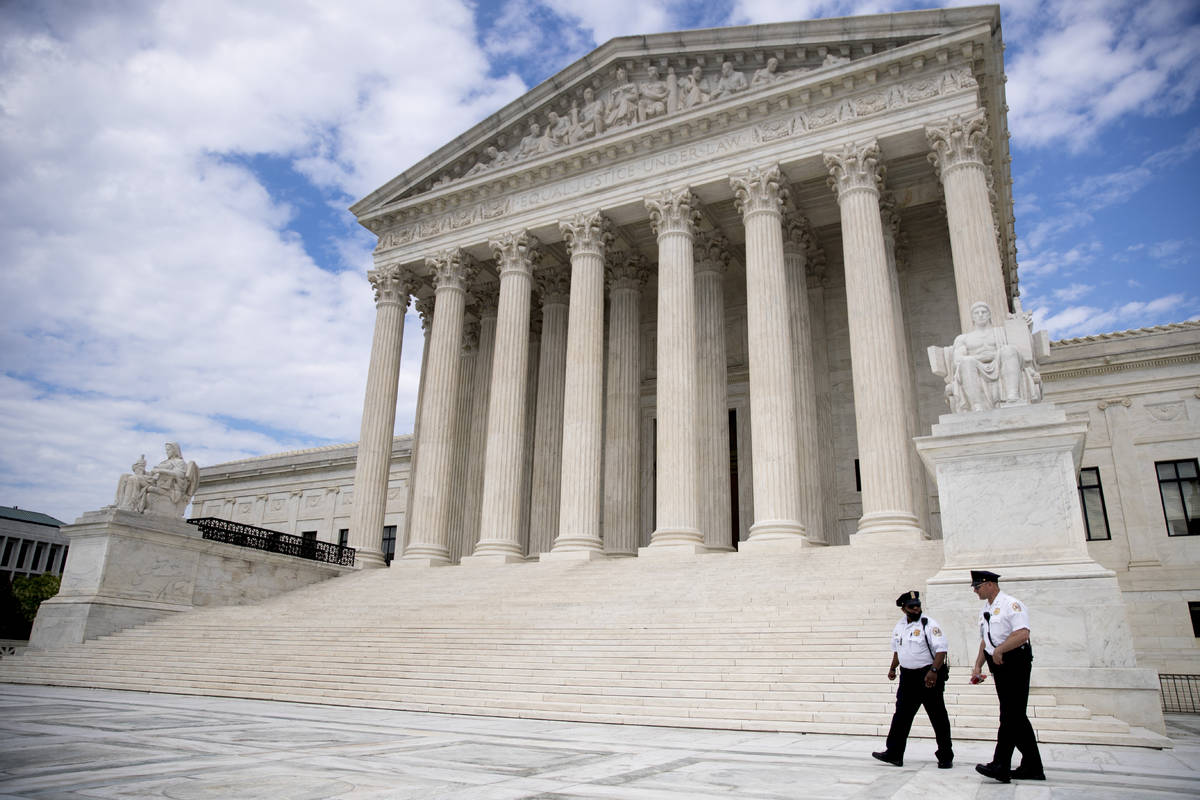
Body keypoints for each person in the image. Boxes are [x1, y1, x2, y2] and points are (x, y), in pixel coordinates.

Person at [971, 570, 1045, 783]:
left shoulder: (1011, 604)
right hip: (999, 664)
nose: (975, 590)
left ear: (991, 584)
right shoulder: (986, 609)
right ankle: (1033, 766)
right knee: (1016, 716)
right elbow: (986, 640)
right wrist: (978, 664)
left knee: (1010, 715)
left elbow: (1022, 634)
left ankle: (1001, 764)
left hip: (1016, 662)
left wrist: (1001, 650)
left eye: (978, 586)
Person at [872, 590, 953, 769]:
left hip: (927, 676)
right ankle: (894, 753)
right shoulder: (899, 626)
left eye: (918, 606)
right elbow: (897, 650)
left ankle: (945, 755)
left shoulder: (929, 624)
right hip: (907, 677)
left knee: (937, 716)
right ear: (903, 609)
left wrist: (933, 670)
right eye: (911, 607)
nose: (916, 609)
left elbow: (941, 649)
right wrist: (892, 667)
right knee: (901, 716)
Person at [950, 302, 1026, 411]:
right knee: (966, 361)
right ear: (972, 317)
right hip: (975, 367)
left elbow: (1021, 351)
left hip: (999, 363)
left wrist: (1022, 324)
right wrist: (983, 357)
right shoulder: (963, 338)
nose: (980, 315)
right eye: (977, 313)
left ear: (989, 315)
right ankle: (976, 404)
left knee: (1009, 350)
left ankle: (1012, 395)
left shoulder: (1002, 332)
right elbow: (958, 360)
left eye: (984, 312)